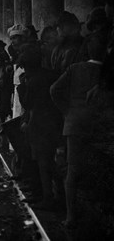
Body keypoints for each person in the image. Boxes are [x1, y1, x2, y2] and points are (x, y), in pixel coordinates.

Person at [50, 34, 107, 228]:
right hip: (102, 127)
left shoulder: (75, 68)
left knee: (72, 171)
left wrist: (67, 111)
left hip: (74, 125)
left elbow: (54, 90)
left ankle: (71, 217)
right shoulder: (107, 73)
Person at [17, 45, 62, 211]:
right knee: (51, 161)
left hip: (39, 125)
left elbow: (27, 103)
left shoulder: (32, 81)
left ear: (27, 66)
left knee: (43, 162)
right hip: (54, 122)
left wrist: (21, 87)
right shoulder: (51, 75)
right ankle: (58, 194)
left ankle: (48, 198)